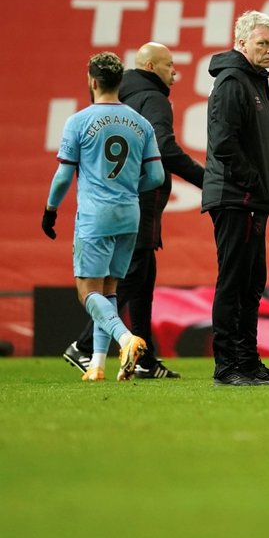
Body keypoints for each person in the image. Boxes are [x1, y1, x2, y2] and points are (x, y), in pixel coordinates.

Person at [63, 43, 205, 379]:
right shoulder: (154, 99)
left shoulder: (116, 95)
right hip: (137, 199)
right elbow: (164, 149)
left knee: (142, 276)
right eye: (170, 66)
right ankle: (84, 347)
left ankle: (144, 358)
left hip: (103, 199)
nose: (175, 73)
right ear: (153, 67)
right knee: (127, 274)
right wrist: (207, 180)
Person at [43, 52, 164, 381]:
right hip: (130, 215)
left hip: (95, 216)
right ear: (120, 82)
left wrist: (50, 210)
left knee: (87, 291)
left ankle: (126, 339)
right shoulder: (141, 123)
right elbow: (156, 176)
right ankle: (97, 365)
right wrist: (128, 187)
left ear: (92, 81)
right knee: (109, 289)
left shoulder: (78, 121)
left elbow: (64, 177)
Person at [202, 10, 269, 387]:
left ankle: (248, 361)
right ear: (241, 43)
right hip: (236, 198)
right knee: (234, 281)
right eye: (262, 43)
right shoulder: (232, 82)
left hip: (251, 198)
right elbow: (223, 143)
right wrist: (254, 183)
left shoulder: (252, 80)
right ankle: (227, 365)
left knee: (252, 283)